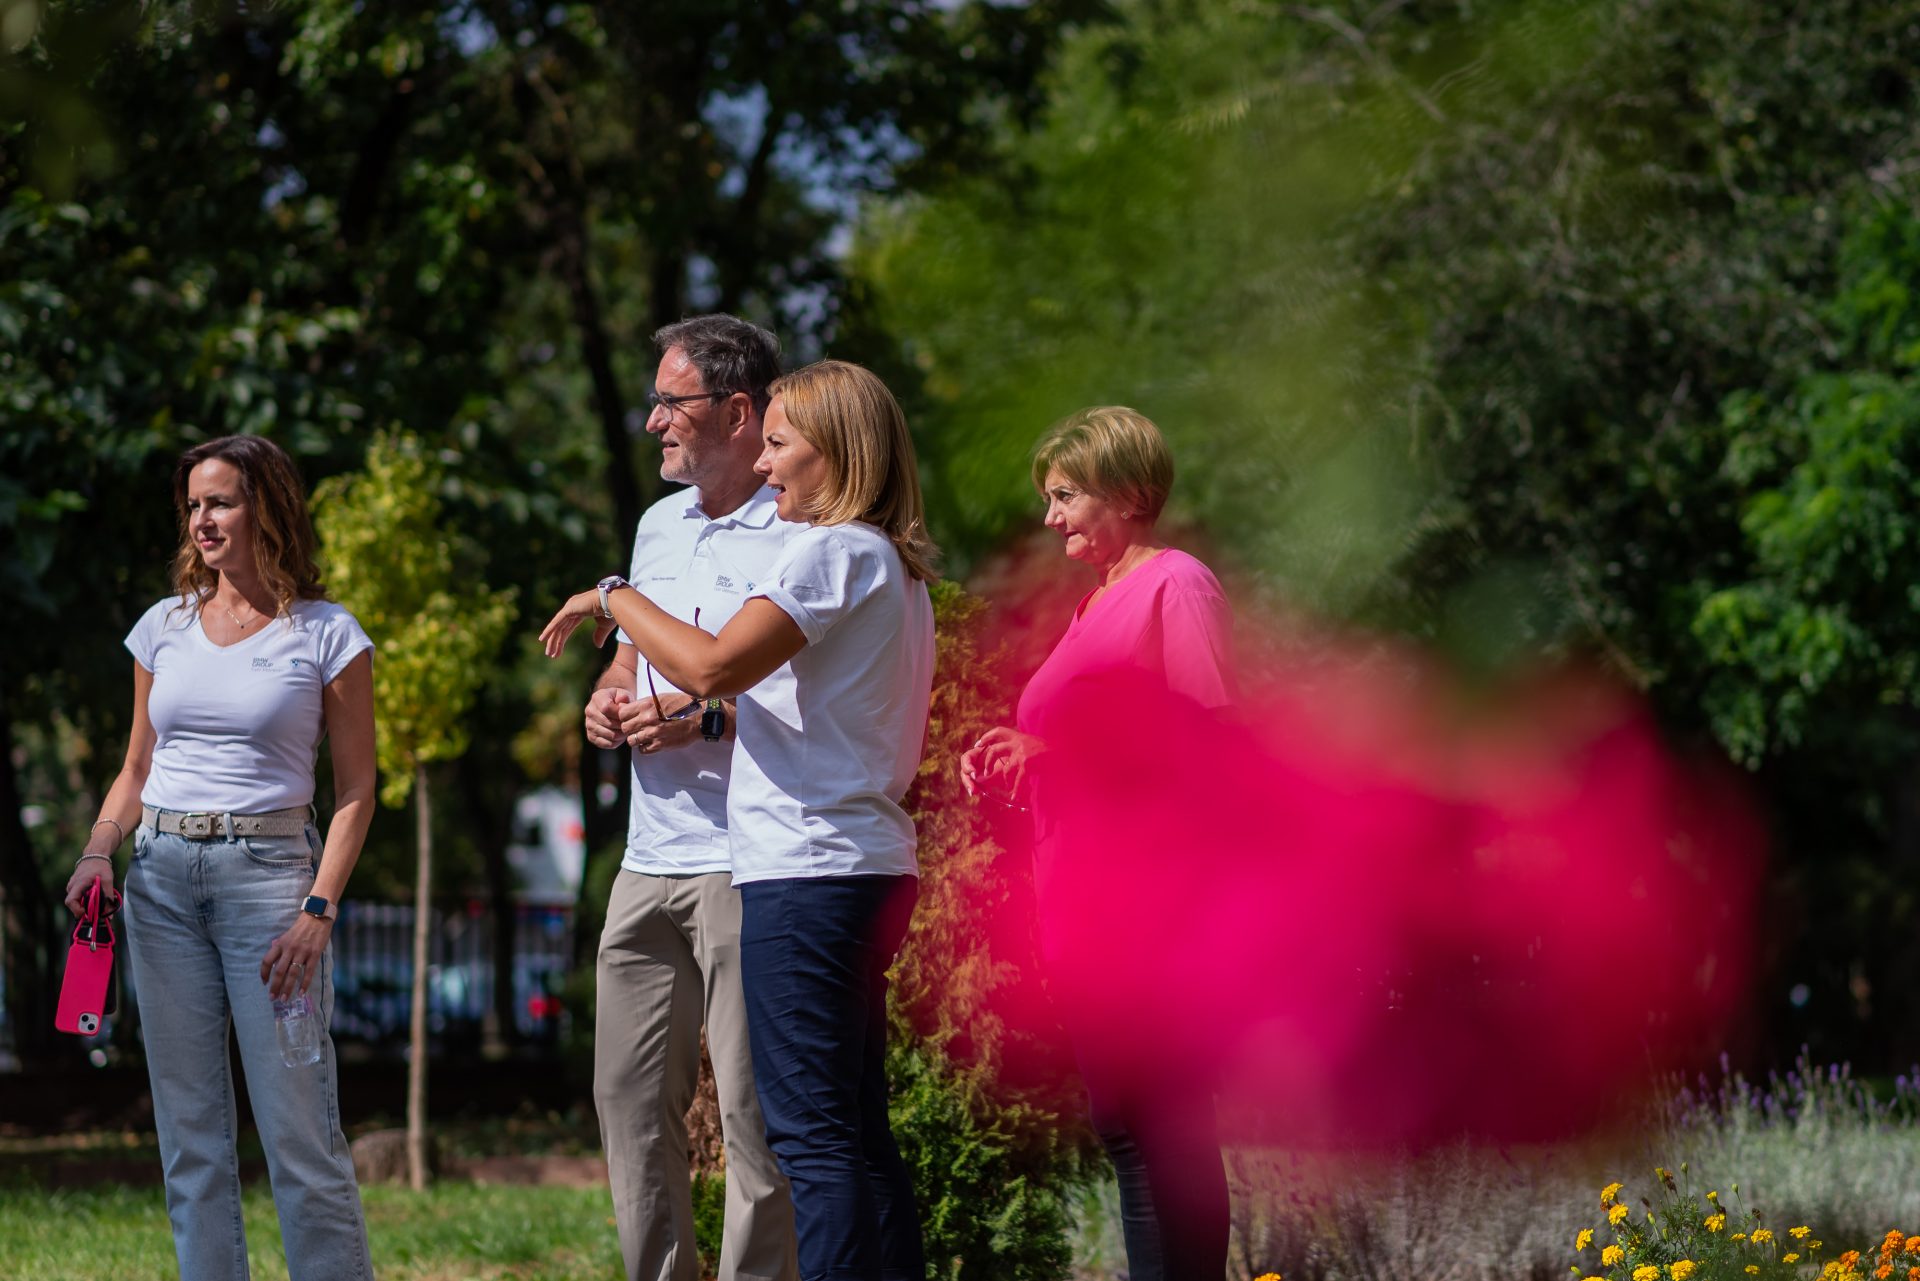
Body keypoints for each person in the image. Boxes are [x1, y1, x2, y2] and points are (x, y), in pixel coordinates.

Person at [543, 358, 936, 1281]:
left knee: (812, 1139)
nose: (765, 468)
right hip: (858, 865)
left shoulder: (834, 552)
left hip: (809, 872)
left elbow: (714, 666)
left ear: (835, 453)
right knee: (857, 1131)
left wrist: (614, 597)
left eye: (781, 446)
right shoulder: (889, 563)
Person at [62, 434, 377, 1281]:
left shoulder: (327, 633)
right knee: (192, 1138)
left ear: (265, 507)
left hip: (272, 889)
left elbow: (356, 791)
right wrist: (100, 850)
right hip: (160, 879)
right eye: (194, 504)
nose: (203, 519)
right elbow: (136, 767)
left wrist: (318, 909)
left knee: (299, 1133)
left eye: (222, 501)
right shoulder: (162, 626)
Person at [959, 406, 1234, 1281]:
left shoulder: (1176, 584)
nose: (1050, 518)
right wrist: (1017, 766)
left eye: (1066, 496)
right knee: (1130, 1134)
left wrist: (1055, 750)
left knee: (1167, 1136)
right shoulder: (1095, 604)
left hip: (1151, 913)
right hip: (1082, 913)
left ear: (1127, 492)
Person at [582, 314, 799, 1281]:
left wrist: (704, 719)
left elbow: (820, 712)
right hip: (646, 860)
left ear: (738, 412)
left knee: (755, 1124)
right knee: (628, 1111)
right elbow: (633, 654)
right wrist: (609, 699)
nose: (652, 421)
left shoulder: (801, 528)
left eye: (671, 401)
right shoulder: (656, 525)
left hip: (749, 861)